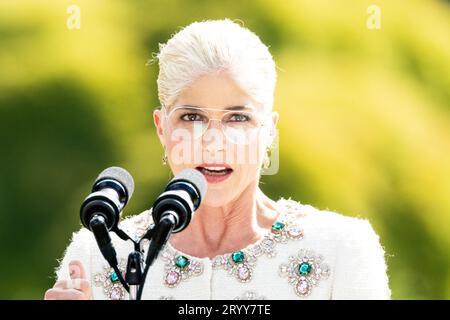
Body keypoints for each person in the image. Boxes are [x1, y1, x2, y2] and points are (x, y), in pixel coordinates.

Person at [44, 19, 390, 300]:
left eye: (237, 118)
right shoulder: (98, 252)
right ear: (162, 128)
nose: (213, 142)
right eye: (191, 117)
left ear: (268, 130)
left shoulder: (341, 249)